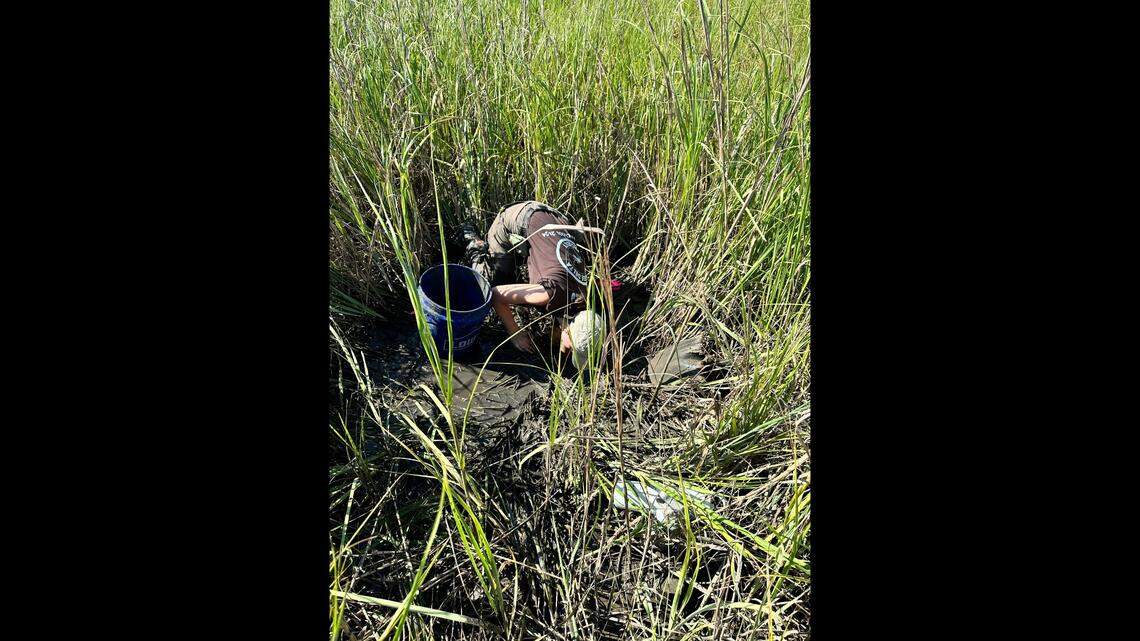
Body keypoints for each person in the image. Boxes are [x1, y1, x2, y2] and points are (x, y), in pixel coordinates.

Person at [462, 200, 603, 368]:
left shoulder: (585, 299)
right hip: (520, 216)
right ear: (568, 331)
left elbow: (565, 326)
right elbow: (497, 294)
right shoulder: (551, 292)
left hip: (555, 219)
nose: (570, 350)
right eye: (573, 348)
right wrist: (515, 334)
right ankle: (471, 238)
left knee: (529, 285)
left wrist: (563, 348)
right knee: (491, 283)